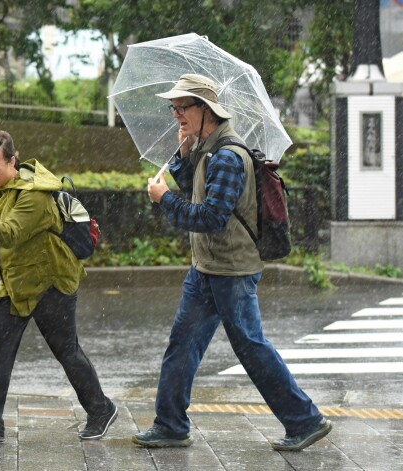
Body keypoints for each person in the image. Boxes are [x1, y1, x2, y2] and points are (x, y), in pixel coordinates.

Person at [132, 74, 332, 451]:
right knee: (182, 344)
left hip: (232, 271)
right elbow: (197, 187)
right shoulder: (208, 149)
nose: (176, 115)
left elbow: (210, 217)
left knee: (251, 346)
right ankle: (171, 424)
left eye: (182, 107)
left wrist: (163, 200)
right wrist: (183, 156)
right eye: (173, 108)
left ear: (205, 110)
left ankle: (305, 420)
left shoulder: (227, 155)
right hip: (207, 268)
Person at [0, 128, 116, 444]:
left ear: (12, 161)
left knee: (66, 349)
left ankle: (101, 409)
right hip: (17, 282)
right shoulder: (2, 190)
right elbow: (9, 237)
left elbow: (13, 233)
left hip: (50, 283)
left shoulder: (34, 194)